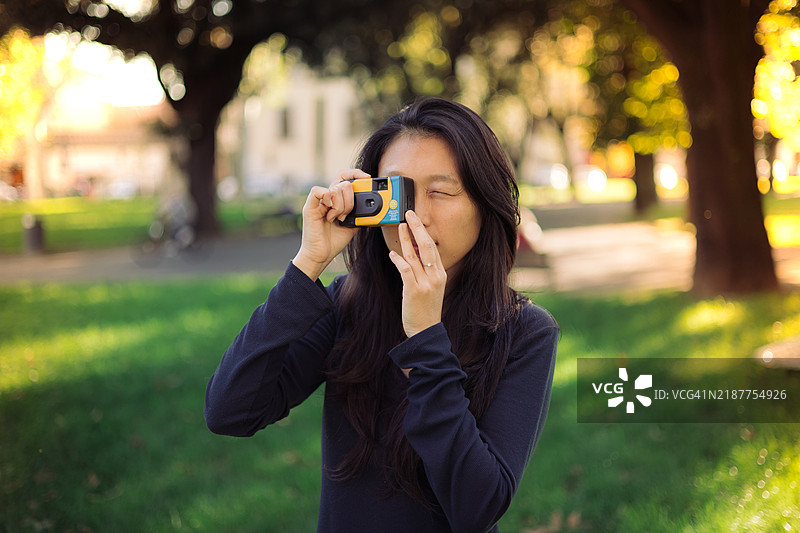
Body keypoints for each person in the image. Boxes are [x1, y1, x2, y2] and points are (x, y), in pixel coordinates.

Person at [205, 97, 559, 533]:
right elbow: (229, 412)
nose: (416, 217)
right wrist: (307, 266)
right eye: (398, 192)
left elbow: (477, 507)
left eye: (441, 191)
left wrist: (426, 339)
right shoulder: (347, 306)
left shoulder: (524, 332)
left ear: (485, 207)